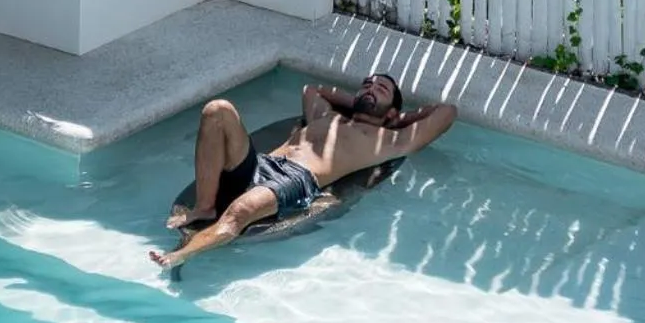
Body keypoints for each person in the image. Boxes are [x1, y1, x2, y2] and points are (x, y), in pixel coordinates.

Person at [150, 72, 457, 271]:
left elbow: (447, 113)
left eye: (380, 89)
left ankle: (181, 256)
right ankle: (204, 206)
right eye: (366, 84)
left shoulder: (389, 140)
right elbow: (312, 91)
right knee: (216, 110)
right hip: (263, 163)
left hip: (297, 180)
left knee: (240, 211)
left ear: (393, 110)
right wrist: (359, 101)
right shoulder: (328, 117)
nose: (369, 89)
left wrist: (397, 119)